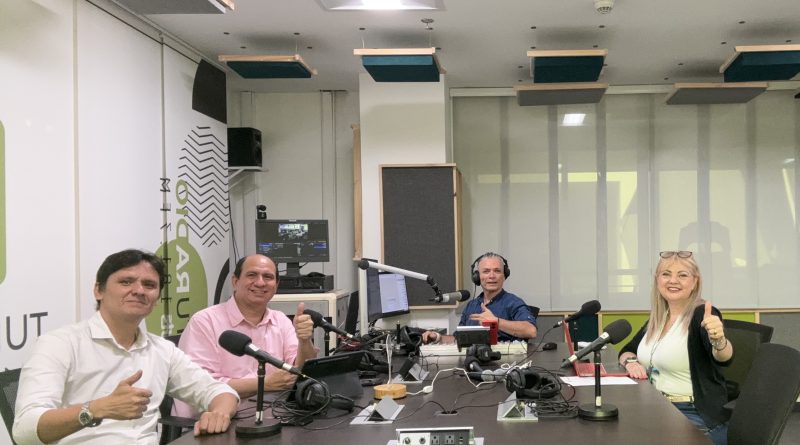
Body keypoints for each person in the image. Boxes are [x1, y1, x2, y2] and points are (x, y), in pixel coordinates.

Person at [13, 249, 239, 445]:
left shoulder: (162, 349)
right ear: (98, 290)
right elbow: (24, 430)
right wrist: (95, 409)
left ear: (157, 298)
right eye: (126, 282)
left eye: (149, 285)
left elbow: (219, 391)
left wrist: (218, 413)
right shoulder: (59, 344)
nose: (139, 290)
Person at [174, 254, 315, 415]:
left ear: (276, 286)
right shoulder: (205, 322)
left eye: (268, 277)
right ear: (235, 281)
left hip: (273, 416)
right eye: (252, 275)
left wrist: (304, 341)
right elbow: (200, 385)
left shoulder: (280, 320)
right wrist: (264, 384)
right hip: (215, 419)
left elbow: (301, 372)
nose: (260, 282)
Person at [618, 250, 733, 445]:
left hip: (691, 412)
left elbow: (723, 357)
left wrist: (719, 340)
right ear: (657, 280)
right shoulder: (659, 317)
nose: (673, 281)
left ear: (694, 282)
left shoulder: (702, 314)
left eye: (682, 275)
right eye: (666, 274)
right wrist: (631, 362)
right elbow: (626, 350)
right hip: (655, 408)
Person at [422, 252, 537, 344]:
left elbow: (531, 331)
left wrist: (496, 322)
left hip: (503, 363)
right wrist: (438, 337)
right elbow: (458, 339)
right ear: (477, 277)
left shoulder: (513, 302)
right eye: (486, 271)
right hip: (473, 361)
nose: (492, 276)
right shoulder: (471, 305)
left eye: (497, 271)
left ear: (504, 276)